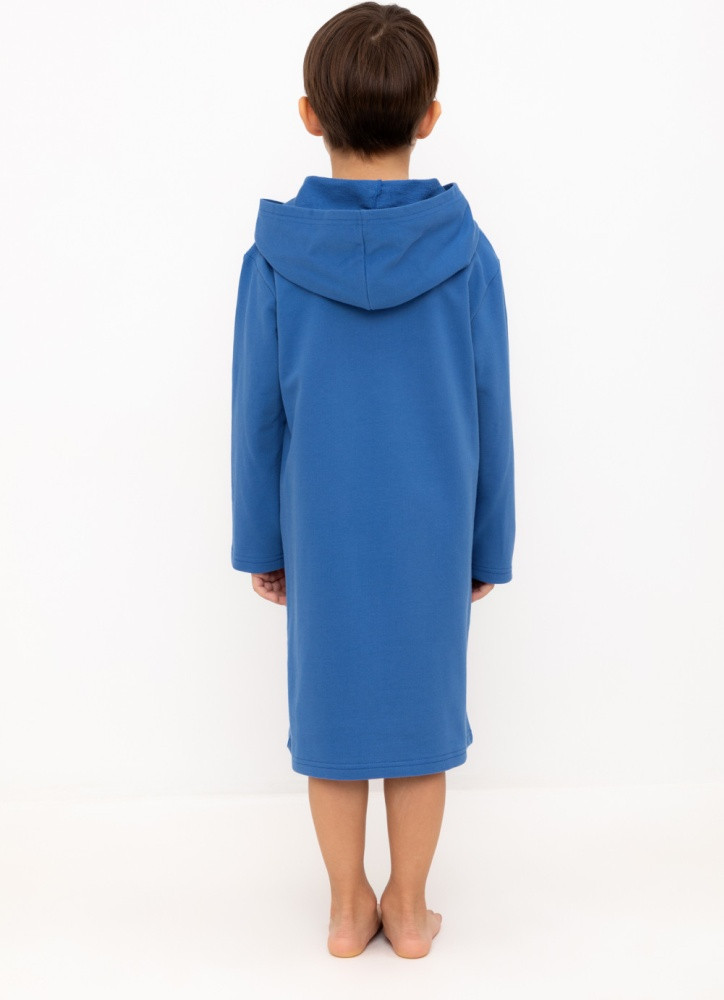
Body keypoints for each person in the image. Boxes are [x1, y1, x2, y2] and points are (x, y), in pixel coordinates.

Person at [230, 2, 515, 960]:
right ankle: (411, 906)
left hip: (321, 532)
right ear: (429, 117)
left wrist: (261, 544)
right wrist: (489, 545)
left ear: (310, 114)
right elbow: (490, 408)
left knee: (334, 719)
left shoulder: (273, 260)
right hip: (433, 530)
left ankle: (347, 908)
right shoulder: (468, 254)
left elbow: (257, 418)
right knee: (423, 719)